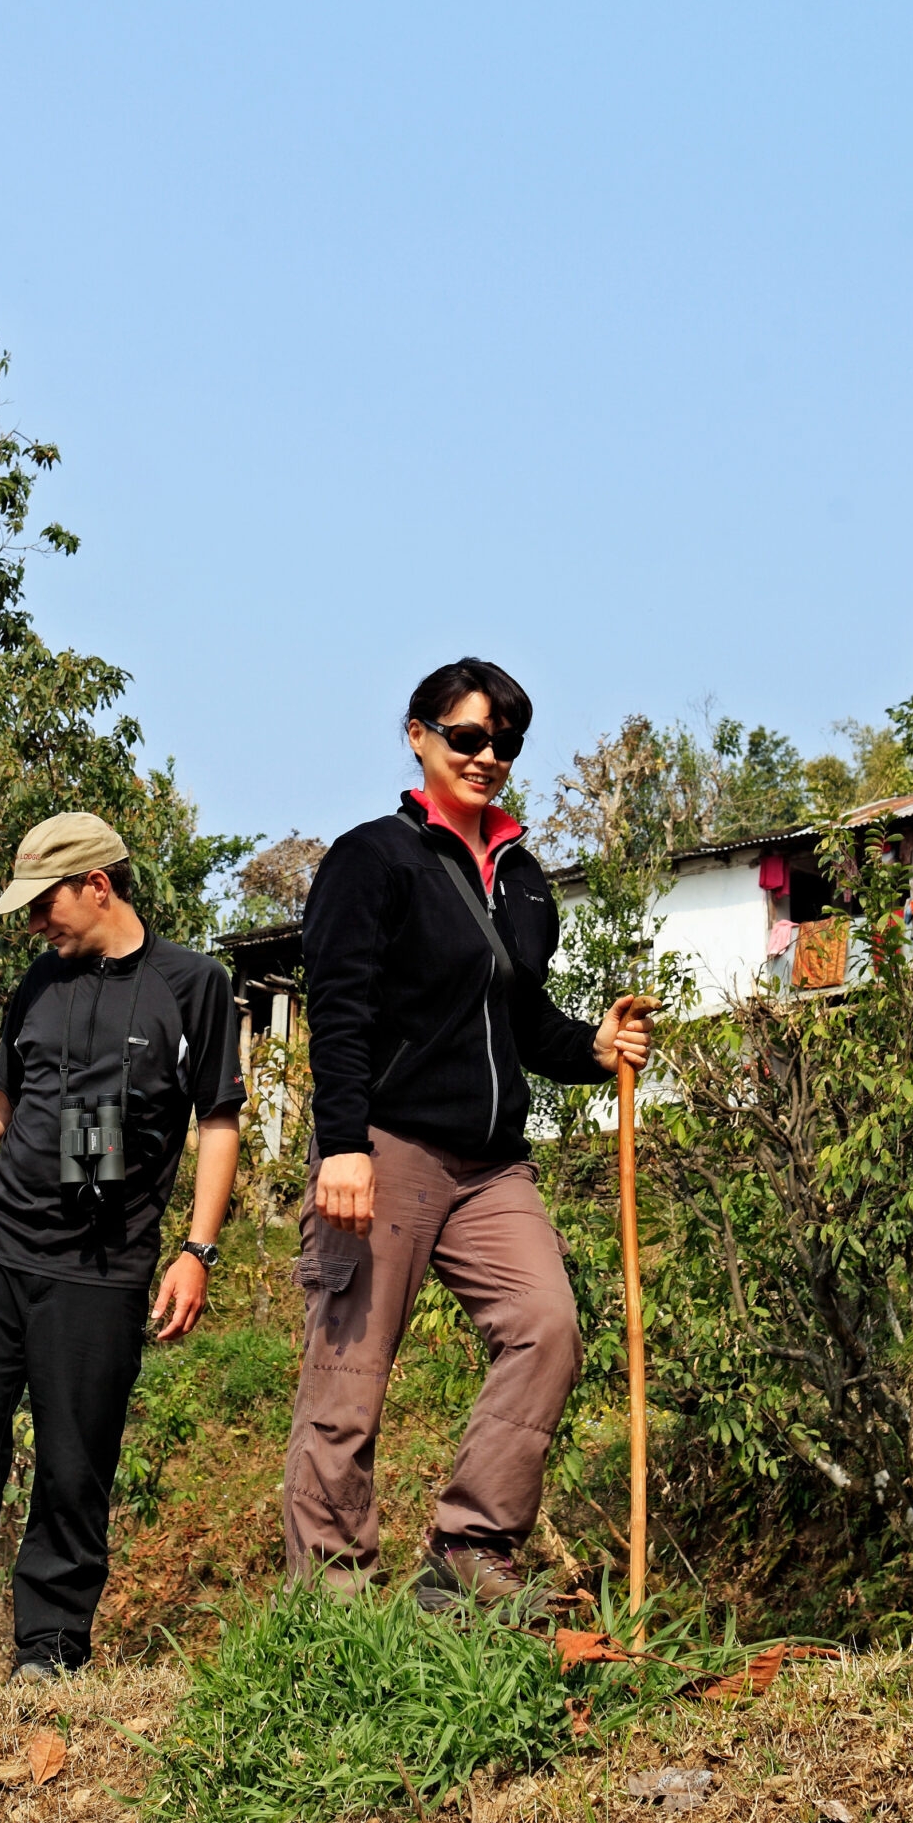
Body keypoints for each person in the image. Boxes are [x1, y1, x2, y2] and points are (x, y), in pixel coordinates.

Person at [287, 658, 653, 1609]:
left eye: (505, 743)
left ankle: (469, 1550)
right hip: (388, 1148)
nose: (488, 756)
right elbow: (340, 1009)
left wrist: (594, 1044)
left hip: (493, 1165)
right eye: (468, 737)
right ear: (419, 734)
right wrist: (343, 1147)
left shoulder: (525, 882)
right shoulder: (372, 859)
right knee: (350, 1372)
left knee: (549, 1327)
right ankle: (333, 1599)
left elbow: (521, 1023)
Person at [0, 812, 243, 1683]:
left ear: (97, 886)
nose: (36, 924)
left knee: (75, 1466)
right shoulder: (38, 983)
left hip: (101, 1268)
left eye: (45, 905)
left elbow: (217, 1120)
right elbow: (3, 1101)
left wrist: (199, 1250)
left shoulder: (193, 985)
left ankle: (51, 1653)